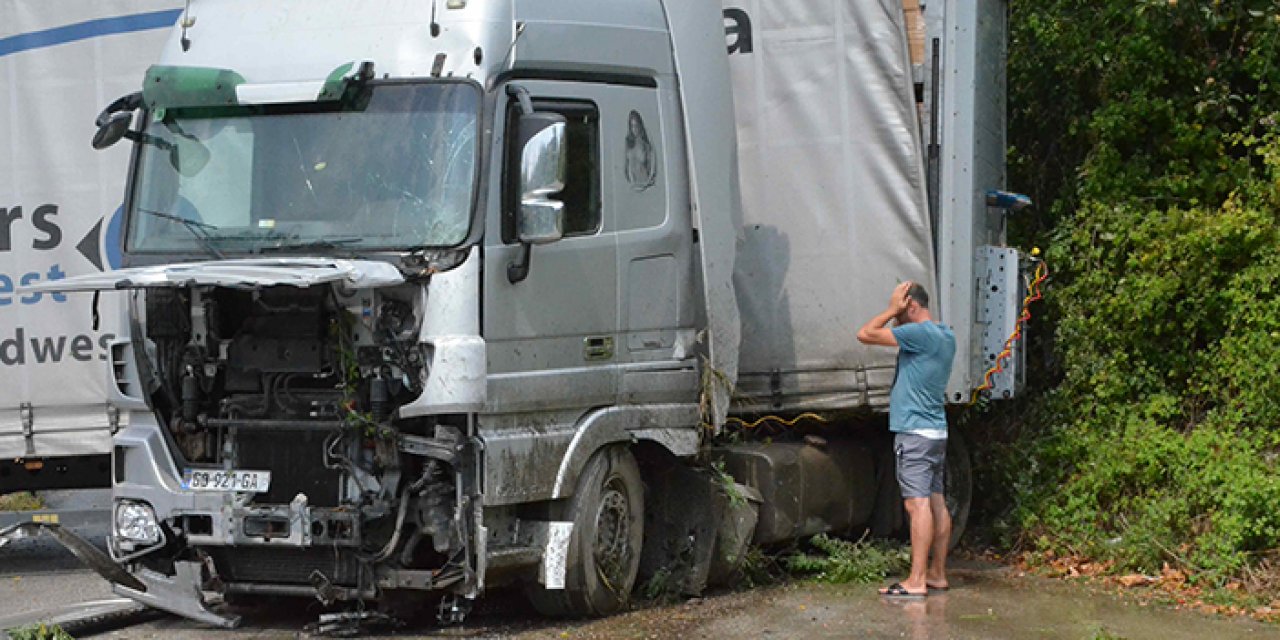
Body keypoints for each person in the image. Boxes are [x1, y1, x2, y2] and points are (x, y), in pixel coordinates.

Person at [857, 281, 957, 598]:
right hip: (936, 431)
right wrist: (898, 312)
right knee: (937, 502)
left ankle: (916, 580)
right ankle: (937, 574)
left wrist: (890, 310)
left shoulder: (919, 334)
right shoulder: (945, 334)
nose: (896, 318)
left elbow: (865, 334)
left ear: (910, 305)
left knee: (917, 505)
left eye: (901, 310)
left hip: (914, 433)